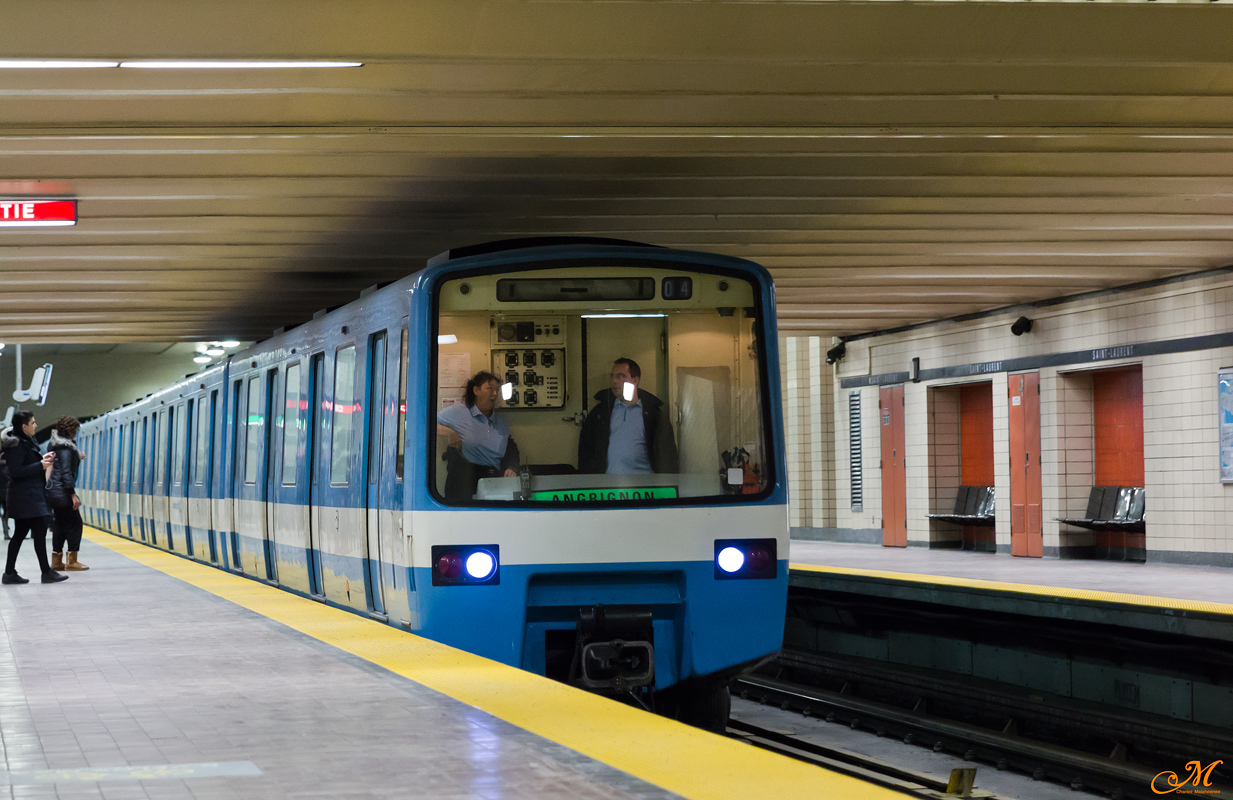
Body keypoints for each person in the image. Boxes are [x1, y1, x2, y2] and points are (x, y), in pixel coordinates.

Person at [577, 358, 679, 475]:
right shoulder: (600, 413)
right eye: (612, 376)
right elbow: (586, 451)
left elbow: (668, 453)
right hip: (609, 485)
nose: (614, 381)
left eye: (621, 376)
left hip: (646, 486)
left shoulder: (653, 414)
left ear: (635, 380)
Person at [2, 411, 67, 584]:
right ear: (24, 426)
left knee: (21, 534)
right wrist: (40, 464)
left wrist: (42, 461)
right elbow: (16, 471)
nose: (35, 425)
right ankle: (46, 572)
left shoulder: (23, 442)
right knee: (38, 532)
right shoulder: (17, 445)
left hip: (27, 496)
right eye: (33, 422)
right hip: (26, 497)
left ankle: (9, 573)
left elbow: (23, 466)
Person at [437, 371, 521, 502]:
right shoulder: (460, 411)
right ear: (476, 390)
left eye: (496, 390)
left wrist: (511, 467)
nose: (494, 393)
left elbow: (510, 448)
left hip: (494, 484)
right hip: (466, 484)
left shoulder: (501, 420)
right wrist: (450, 433)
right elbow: (426, 422)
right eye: (490, 388)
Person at [47, 416, 88, 571]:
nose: (76, 432)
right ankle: (72, 561)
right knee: (75, 524)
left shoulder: (57, 445)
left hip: (54, 492)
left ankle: (57, 561)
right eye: (75, 430)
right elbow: (65, 472)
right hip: (62, 492)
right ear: (70, 430)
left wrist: (77, 456)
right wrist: (72, 494)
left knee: (60, 524)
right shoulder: (65, 448)